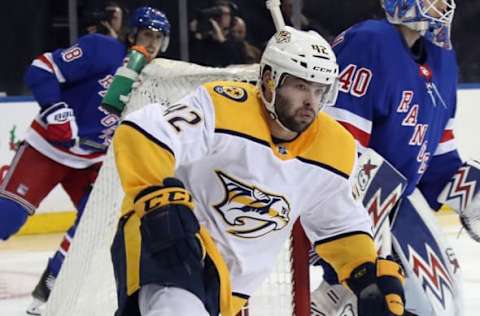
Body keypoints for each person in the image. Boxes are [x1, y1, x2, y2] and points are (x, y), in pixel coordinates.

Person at [110, 26, 406, 316]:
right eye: (300, 85)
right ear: (268, 80)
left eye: (319, 90)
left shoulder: (334, 147)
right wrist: (159, 199)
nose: (310, 102)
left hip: (226, 288)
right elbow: (143, 132)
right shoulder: (223, 105)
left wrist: (367, 275)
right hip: (169, 239)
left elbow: (339, 224)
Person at [310, 0, 480, 315]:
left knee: (436, 305)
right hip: (347, 209)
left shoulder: (442, 59)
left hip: (398, 210)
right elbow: (337, 149)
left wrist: (473, 193)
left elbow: (439, 163)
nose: (445, 4)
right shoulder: (369, 43)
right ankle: (333, 293)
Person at [0, 6, 170, 315]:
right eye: (148, 35)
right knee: (6, 219)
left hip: (92, 161)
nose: (154, 45)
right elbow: (41, 68)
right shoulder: (101, 49)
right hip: (48, 149)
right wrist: (56, 109)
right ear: (131, 34)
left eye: (160, 39)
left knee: (92, 228)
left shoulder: (157, 77)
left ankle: (51, 285)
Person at [189, 0, 247, 66]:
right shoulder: (206, 39)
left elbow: (236, 62)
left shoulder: (234, 39)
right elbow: (195, 61)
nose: (221, 17)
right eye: (218, 14)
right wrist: (197, 33)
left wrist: (221, 39)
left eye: (226, 14)